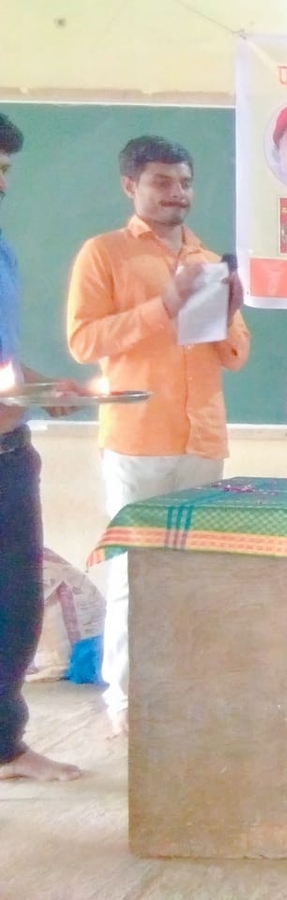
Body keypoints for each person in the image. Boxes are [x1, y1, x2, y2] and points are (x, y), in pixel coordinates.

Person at [66, 135, 251, 736]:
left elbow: (236, 355)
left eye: (186, 183)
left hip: (202, 440)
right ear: (132, 187)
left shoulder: (205, 256)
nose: (179, 194)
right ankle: (125, 703)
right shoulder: (106, 254)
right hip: (138, 439)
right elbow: (83, 342)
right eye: (163, 183)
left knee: (190, 578)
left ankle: (183, 696)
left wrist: (224, 313)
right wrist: (161, 307)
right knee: (133, 577)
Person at [0, 111, 82, 781]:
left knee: (18, 606)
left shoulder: (3, 253)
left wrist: (39, 384)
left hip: (10, 454)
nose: (1, 182)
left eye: (4, 171)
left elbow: (3, 363)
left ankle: (6, 746)